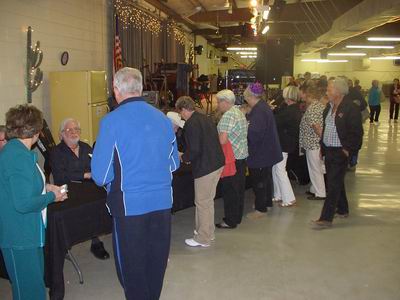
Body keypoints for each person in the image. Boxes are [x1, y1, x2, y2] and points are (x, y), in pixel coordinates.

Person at [91, 67, 179, 299]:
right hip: (161, 204)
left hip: (130, 207)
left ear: (116, 90)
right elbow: (174, 164)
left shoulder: (111, 122)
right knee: (155, 264)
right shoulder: (162, 118)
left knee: (132, 271)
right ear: (140, 88)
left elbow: (101, 175)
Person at [0, 104, 67, 300]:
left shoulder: (20, 152)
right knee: (30, 293)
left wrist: (46, 187)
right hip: (19, 237)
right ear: (36, 131)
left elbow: (24, 185)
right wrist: (52, 197)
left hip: (29, 233)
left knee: (35, 287)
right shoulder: (16, 157)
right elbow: (22, 203)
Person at [49, 118, 110, 260]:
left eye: (76, 129)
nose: (73, 132)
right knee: (82, 208)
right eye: (69, 130)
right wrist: (84, 174)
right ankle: (68, 240)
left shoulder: (86, 147)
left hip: (89, 188)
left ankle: (96, 240)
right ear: (61, 134)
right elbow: (60, 177)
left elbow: (95, 166)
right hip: (69, 191)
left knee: (104, 200)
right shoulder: (56, 152)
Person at [312, 78, 363, 229]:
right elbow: (327, 129)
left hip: (341, 151)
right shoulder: (329, 107)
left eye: (329, 89)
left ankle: (326, 218)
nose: (327, 91)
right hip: (329, 149)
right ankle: (343, 209)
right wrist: (322, 148)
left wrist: (348, 149)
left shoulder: (350, 108)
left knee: (333, 184)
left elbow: (357, 132)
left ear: (339, 91)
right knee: (335, 181)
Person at [175, 96, 224, 247]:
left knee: (202, 202)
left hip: (205, 167)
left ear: (183, 109)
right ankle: (207, 232)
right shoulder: (204, 118)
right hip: (216, 163)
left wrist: (183, 157)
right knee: (207, 201)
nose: (181, 116)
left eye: (180, 112)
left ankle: (203, 238)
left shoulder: (191, 124)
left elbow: (194, 150)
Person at [245, 83, 282, 219]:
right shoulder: (262, 107)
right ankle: (266, 203)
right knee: (265, 179)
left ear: (250, 97)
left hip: (261, 152)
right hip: (268, 151)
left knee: (259, 181)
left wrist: (245, 128)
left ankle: (260, 209)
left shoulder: (259, 111)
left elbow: (255, 134)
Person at [215, 89, 248, 229]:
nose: (217, 105)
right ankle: (237, 217)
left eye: (218, 102)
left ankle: (230, 220)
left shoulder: (228, 115)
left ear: (225, 102)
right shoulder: (238, 112)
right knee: (239, 190)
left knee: (230, 191)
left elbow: (222, 140)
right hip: (241, 156)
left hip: (231, 159)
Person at [272, 86, 302, 207]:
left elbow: (277, 120)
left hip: (284, 143)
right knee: (276, 169)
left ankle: (289, 198)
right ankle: (279, 194)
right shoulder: (292, 109)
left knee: (280, 170)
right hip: (284, 142)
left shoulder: (290, 111)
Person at [299, 80, 327, 200]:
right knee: (314, 168)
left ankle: (320, 193)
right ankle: (314, 189)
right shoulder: (316, 106)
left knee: (316, 169)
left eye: (301, 93)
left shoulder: (313, 108)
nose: (300, 95)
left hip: (314, 144)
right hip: (313, 143)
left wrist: (323, 143)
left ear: (307, 94)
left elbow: (317, 127)